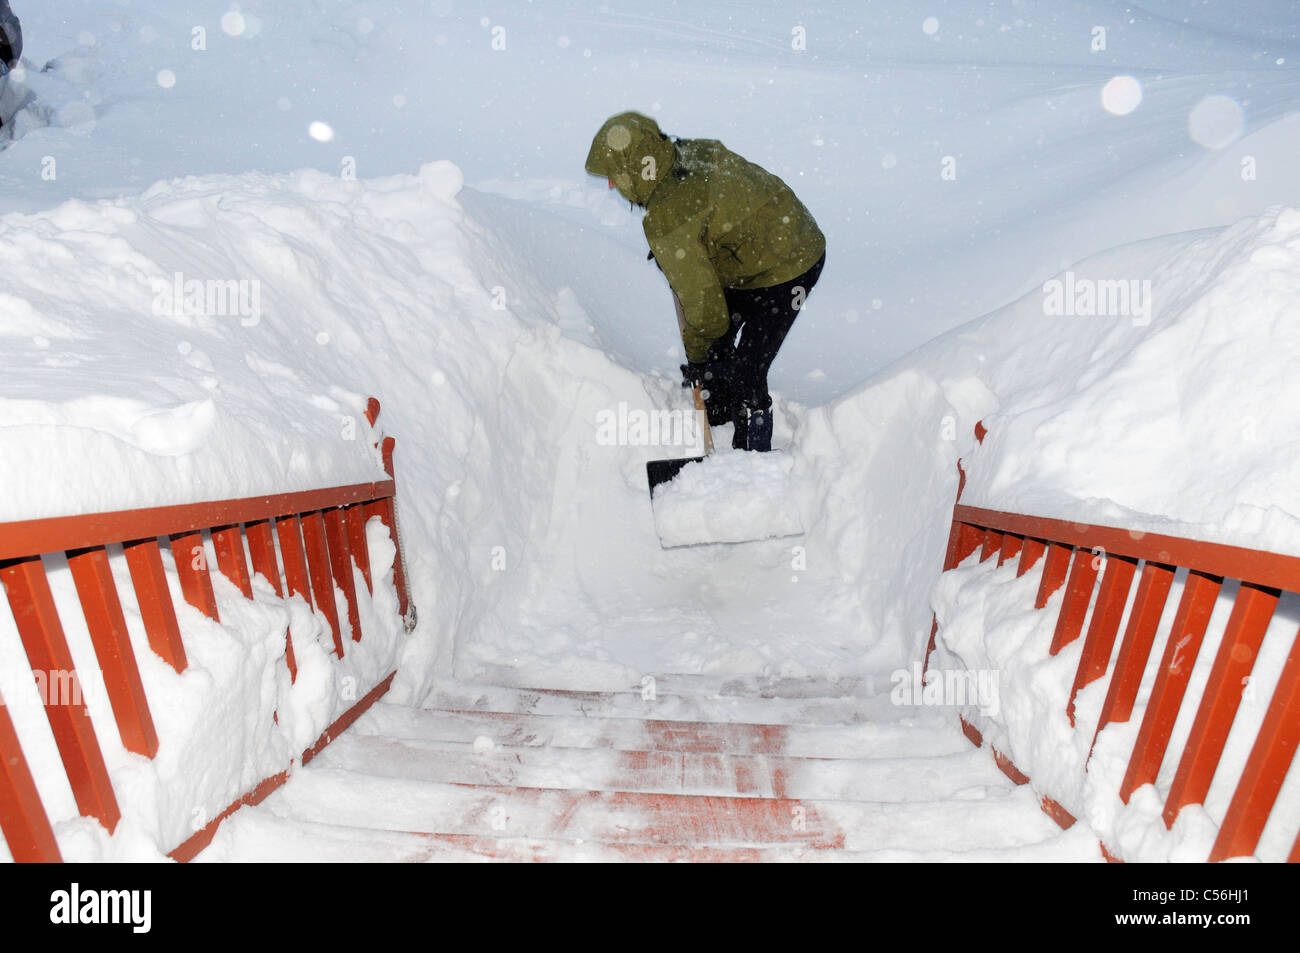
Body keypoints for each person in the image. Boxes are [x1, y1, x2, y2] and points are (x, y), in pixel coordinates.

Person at [585, 111, 825, 452]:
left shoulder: (669, 221)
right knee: (715, 345)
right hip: (750, 254)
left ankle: (751, 462)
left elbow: (706, 310)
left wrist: (697, 359)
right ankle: (718, 411)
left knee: (747, 372)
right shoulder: (683, 155)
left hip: (794, 265)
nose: (613, 187)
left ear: (632, 173)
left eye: (614, 178)